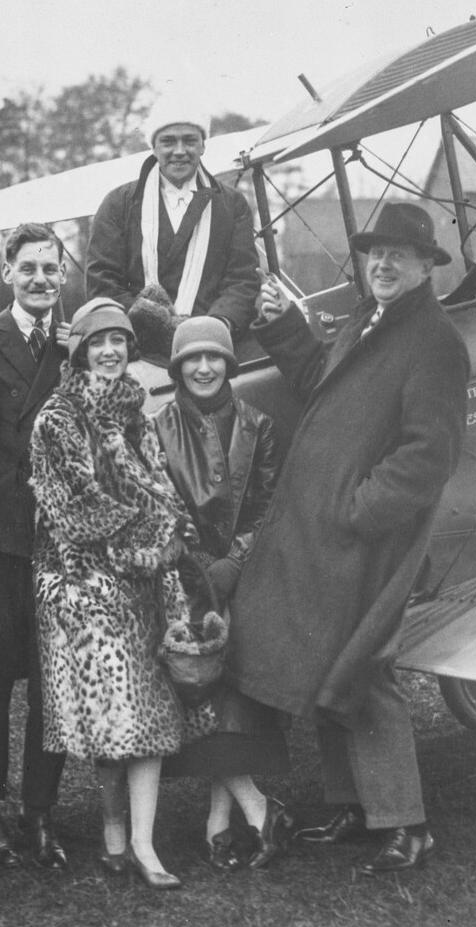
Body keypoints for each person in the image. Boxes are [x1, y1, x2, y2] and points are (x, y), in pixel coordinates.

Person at [231, 202, 469, 874]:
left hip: (367, 538)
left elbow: (430, 453)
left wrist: (357, 508)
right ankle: (357, 807)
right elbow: (318, 385)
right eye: (375, 253)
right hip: (322, 532)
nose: (384, 264)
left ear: (427, 266)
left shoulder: (434, 341)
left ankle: (408, 824)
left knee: (365, 668)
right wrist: (282, 326)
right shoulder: (371, 321)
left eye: (400, 254)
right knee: (325, 662)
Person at [30, 298, 191, 890]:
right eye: (98, 343)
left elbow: (160, 490)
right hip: (83, 585)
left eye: (119, 342)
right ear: (79, 351)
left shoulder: (136, 414)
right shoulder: (57, 418)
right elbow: (74, 508)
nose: (109, 352)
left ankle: (142, 844)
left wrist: (162, 537)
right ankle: (112, 827)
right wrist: (145, 539)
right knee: (111, 716)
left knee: (145, 712)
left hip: (141, 580)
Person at [152, 316, 293, 871]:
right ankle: (257, 807)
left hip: (246, 576)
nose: (204, 368)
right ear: (178, 367)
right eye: (193, 359)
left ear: (230, 365)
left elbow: (269, 502)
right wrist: (197, 564)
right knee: (200, 692)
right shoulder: (159, 426)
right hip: (186, 578)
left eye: (215, 358)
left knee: (233, 696)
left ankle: (219, 817)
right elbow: (161, 503)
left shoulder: (260, 425)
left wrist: (238, 559)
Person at [0, 223, 71, 869]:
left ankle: (40, 811)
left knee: (52, 687)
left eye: (51, 269)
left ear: (63, 274)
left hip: (56, 540)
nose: (40, 280)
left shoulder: (79, 343)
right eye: (28, 267)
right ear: (7, 271)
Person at [85, 94, 261, 355]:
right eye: (168, 141)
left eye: (189, 140)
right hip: (138, 348)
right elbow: (103, 284)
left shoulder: (232, 204)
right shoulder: (118, 204)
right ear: (153, 147)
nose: (179, 151)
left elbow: (242, 280)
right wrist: (156, 324)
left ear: (203, 145)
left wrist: (213, 327)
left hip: (211, 347)